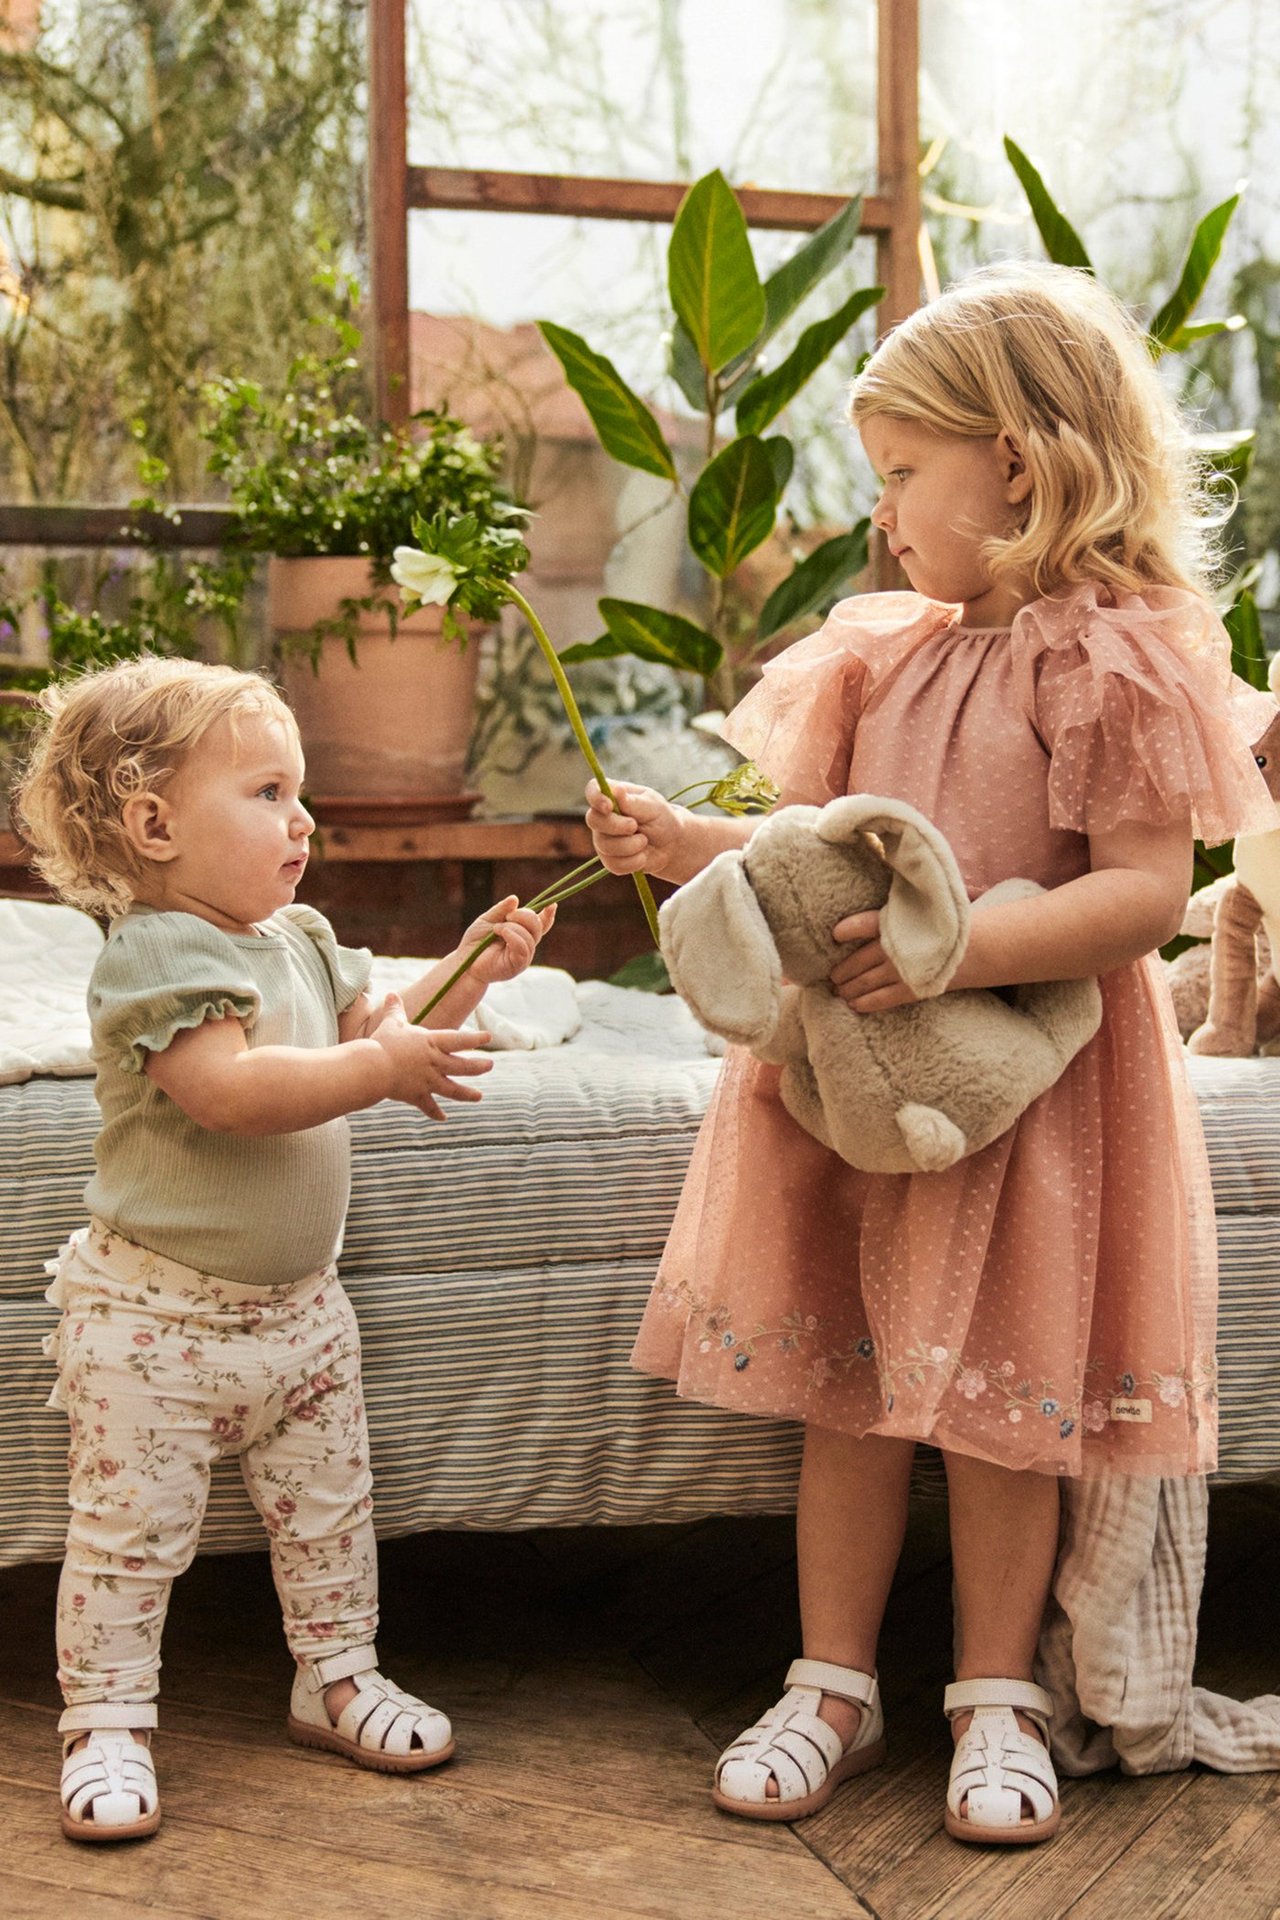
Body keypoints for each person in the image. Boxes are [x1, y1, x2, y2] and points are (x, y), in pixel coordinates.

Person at [585, 261, 1277, 1847]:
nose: (883, 511)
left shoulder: (1111, 651)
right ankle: (829, 1678)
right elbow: (811, 847)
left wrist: (952, 945)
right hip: (850, 1084)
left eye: (904, 473)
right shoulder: (875, 650)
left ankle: (994, 1694)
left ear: (1020, 464)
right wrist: (688, 836)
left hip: (1025, 1094)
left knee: (999, 1405)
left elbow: (1147, 894)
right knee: (848, 1381)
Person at [15, 656, 555, 1843]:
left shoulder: (301, 935)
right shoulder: (154, 951)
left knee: (329, 1514)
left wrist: (468, 970)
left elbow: (383, 1032)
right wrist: (379, 1068)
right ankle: (107, 1721)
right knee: (127, 1535)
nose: (300, 816)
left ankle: (338, 1675)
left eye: (298, 790)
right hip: (153, 1322)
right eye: (265, 791)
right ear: (154, 825)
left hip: (303, 1315)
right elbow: (232, 1091)